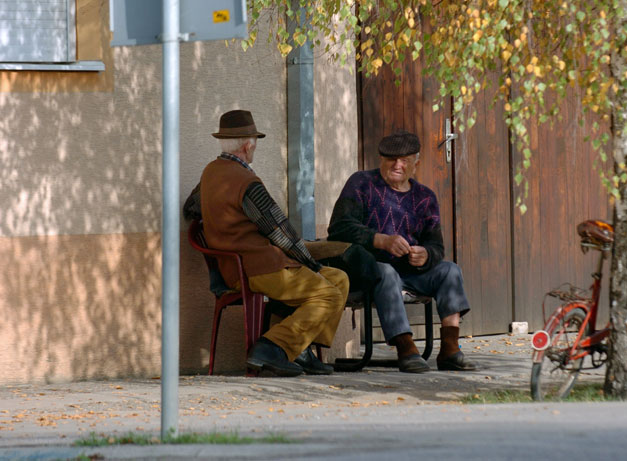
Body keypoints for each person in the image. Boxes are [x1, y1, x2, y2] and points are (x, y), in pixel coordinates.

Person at [184, 110, 348, 377]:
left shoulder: (210, 173)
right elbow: (280, 231)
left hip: (236, 266)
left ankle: (300, 350)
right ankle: (271, 348)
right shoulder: (247, 182)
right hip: (259, 268)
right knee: (328, 294)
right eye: (254, 143)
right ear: (249, 145)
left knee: (339, 279)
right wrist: (309, 262)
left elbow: (191, 209)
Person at [327, 130, 476, 373]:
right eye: (391, 160)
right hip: (368, 272)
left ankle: (450, 349)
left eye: (405, 160)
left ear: (415, 164)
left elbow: (436, 246)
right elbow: (339, 228)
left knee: (450, 270)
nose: (398, 165)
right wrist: (380, 240)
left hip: (411, 273)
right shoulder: (361, 183)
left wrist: (426, 255)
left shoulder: (425, 197)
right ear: (380, 160)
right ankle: (405, 347)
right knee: (386, 272)